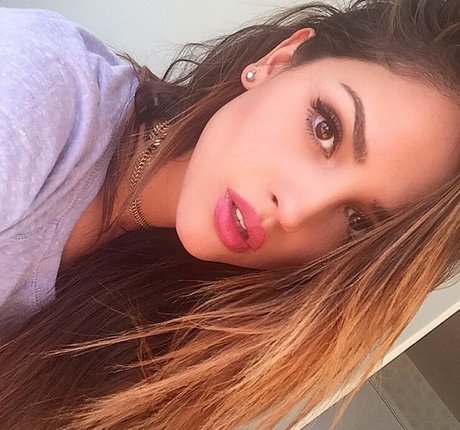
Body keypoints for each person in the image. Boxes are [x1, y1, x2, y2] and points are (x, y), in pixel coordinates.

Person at [0, 0, 458, 429]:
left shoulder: (181, 339)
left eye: (358, 222)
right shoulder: (35, 86)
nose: (297, 210)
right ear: (277, 61)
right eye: (326, 129)